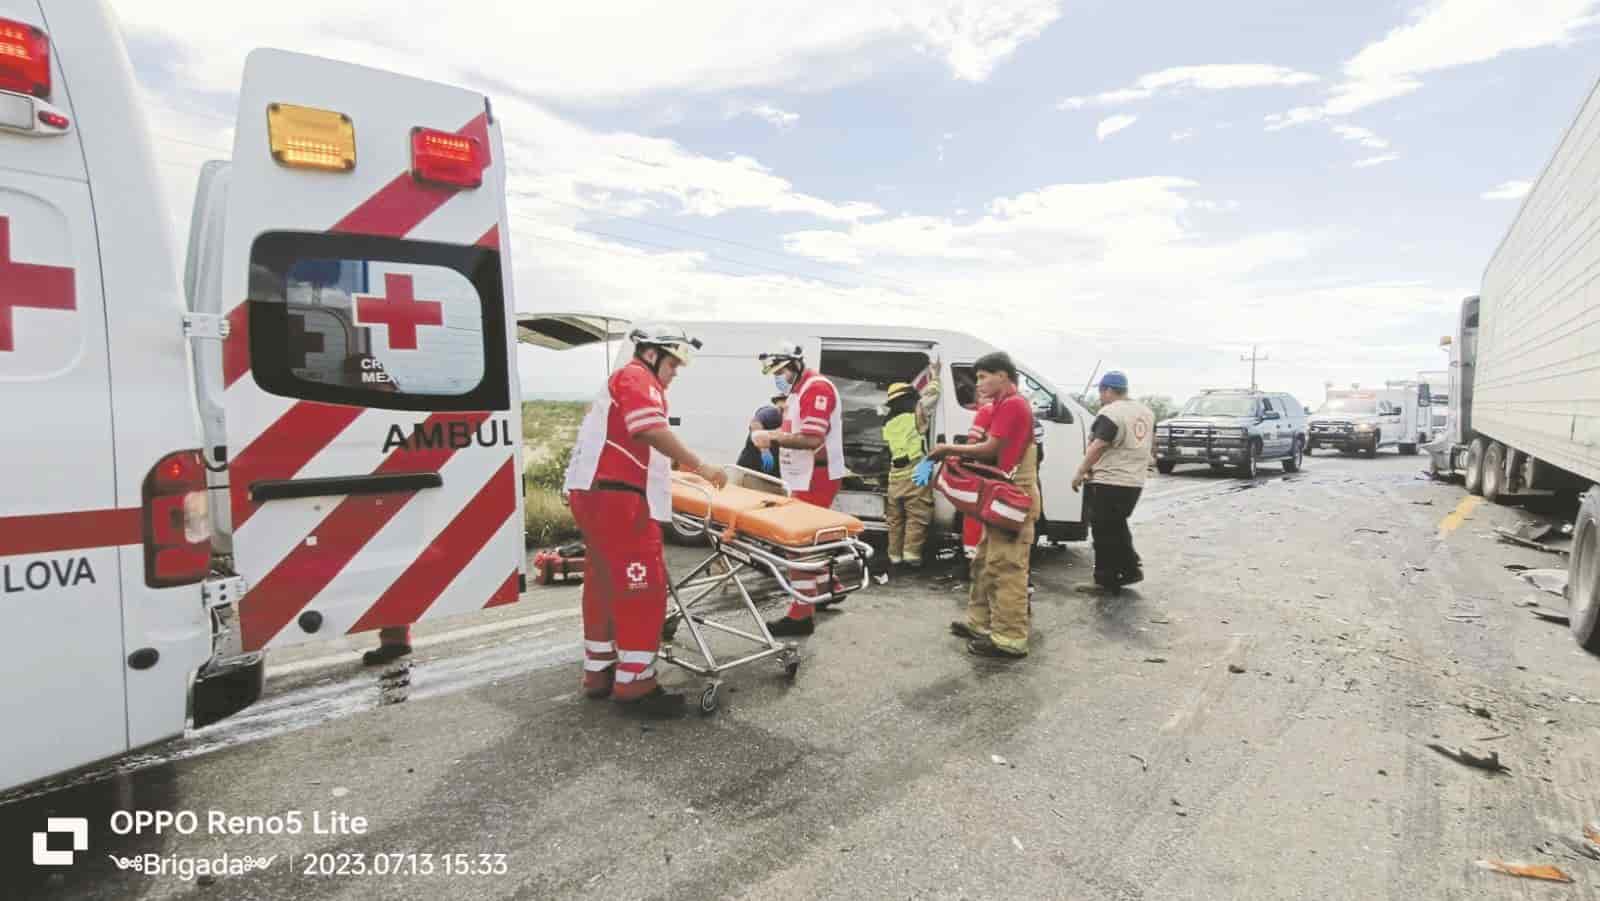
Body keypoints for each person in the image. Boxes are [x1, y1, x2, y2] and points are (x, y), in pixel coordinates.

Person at [563, 324, 728, 716]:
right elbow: (649, 428)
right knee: (643, 589)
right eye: (673, 363)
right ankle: (636, 684)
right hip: (618, 499)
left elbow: (633, 441)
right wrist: (702, 467)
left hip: (595, 494)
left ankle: (599, 672)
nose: (675, 373)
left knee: (603, 584)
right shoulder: (638, 377)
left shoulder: (620, 382)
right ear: (652, 354)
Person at [926, 352, 1039, 659]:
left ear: (1003, 375)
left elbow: (992, 448)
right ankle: (980, 623)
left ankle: (1009, 637)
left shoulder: (1014, 405)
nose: (979, 383)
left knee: (1007, 567)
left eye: (983, 376)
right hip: (1001, 492)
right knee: (985, 561)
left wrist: (949, 448)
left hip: (1013, 496)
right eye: (977, 377)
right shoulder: (1003, 405)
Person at [749, 340, 844, 636]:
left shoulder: (816, 388)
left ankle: (801, 614)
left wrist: (771, 438)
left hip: (815, 475)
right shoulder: (798, 391)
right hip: (803, 474)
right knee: (810, 542)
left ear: (795, 365)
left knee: (798, 545)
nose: (780, 377)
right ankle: (829, 587)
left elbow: (812, 439)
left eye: (781, 371)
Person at [1070, 371, 1154, 595]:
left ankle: (1105, 580)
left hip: (1111, 480)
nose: (1100, 398)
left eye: (1101, 392)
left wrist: (1081, 471)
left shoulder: (1111, 413)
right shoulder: (1145, 412)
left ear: (1107, 390)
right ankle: (1130, 570)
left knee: (1103, 530)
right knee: (1116, 526)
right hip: (1134, 481)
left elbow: (1098, 445)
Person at [881, 381, 935, 569]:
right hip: (915, 473)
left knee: (895, 519)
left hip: (895, 475)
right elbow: (932, 396)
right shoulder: (915, 416)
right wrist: (935, 377)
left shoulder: (888, 423)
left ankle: (894, 556)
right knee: (917, 515)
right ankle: (911, 557)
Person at [736, 394, 788, 475]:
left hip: (775, 473)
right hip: (748, 467)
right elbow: (755, 424)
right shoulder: (770, 413)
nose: (782, 411)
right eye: (780, 408)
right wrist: (764, 449)